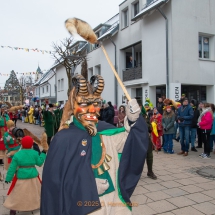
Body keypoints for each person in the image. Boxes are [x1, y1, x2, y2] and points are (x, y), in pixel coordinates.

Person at [41, 74, 148, 215]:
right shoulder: (62, 140)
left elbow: (130, 144)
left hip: (114, 204)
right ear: (73, 105)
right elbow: (55, 183)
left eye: (96, 103)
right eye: (84, 104)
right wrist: (86, 186)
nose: (92, 109)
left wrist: (134, 121)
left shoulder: (106, 131)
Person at [3, 136, 48, 215]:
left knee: (18, 194)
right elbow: (40, 163)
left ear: (22, 144)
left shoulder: (17, 155)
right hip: (33, 176)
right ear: (31, 145)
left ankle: (13, 208)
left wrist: (8, 178)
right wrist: (43, 153)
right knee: (34, 192)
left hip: (21, 176)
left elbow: (12, 168)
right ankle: (35, 205)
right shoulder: (34, 153)